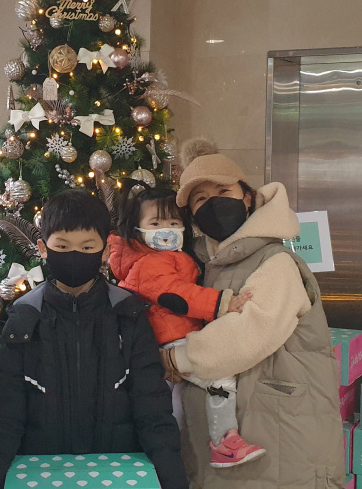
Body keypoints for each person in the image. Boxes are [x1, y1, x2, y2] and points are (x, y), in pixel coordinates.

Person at [162, 138, 345, 489]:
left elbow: (248, 333)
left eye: (223, 191)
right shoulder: (204, 265)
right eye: (200, 199)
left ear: (247, 197)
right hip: (236, 442)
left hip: (280, 439)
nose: (213, 203)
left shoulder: (275, 262)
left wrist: (175, 358)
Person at [0, 190, 187, 489]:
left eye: (87, 246)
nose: (75, 254)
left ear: (105, 250)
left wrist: (172, 479)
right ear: (43, 248)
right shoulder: (25, 317)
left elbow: (152, 408)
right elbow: (5, 411)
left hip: (117, 472)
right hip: (41, 473)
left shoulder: (128, 313)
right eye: (62, 246)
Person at [106, 185, 263, 468]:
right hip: (169, 339)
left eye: (173, 222)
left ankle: (170, 457)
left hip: (174, 336)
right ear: (137, 229)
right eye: (155, 223)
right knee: (219, 374)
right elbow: (176, 295)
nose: (165, 229)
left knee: (174, 408)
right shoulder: (148, 264)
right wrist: (222, 302)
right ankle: (224, 442)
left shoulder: (173, 256)